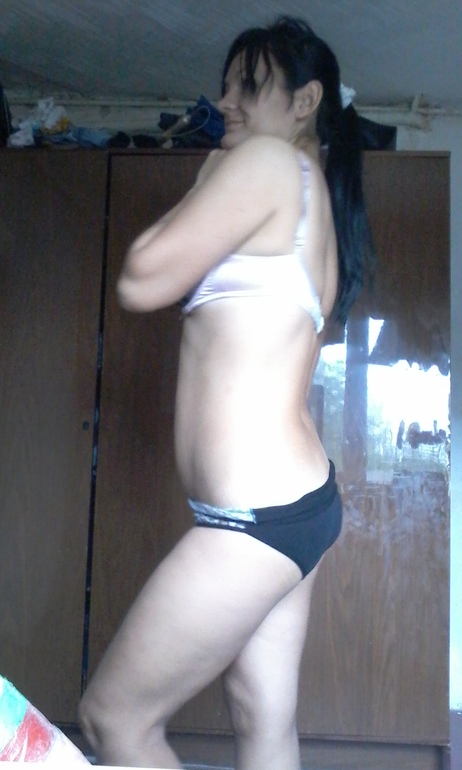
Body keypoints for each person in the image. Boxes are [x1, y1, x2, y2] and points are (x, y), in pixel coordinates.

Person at [79, 15, 375, 770]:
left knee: (114, 720)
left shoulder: (267, 164)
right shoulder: (312, 200)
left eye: (248, 85)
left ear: (305, 101)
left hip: (256, 518)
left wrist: (214, 169)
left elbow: (141, 279)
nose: (225, 101)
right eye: (226, 85)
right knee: (263, 719)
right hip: (295, 506)